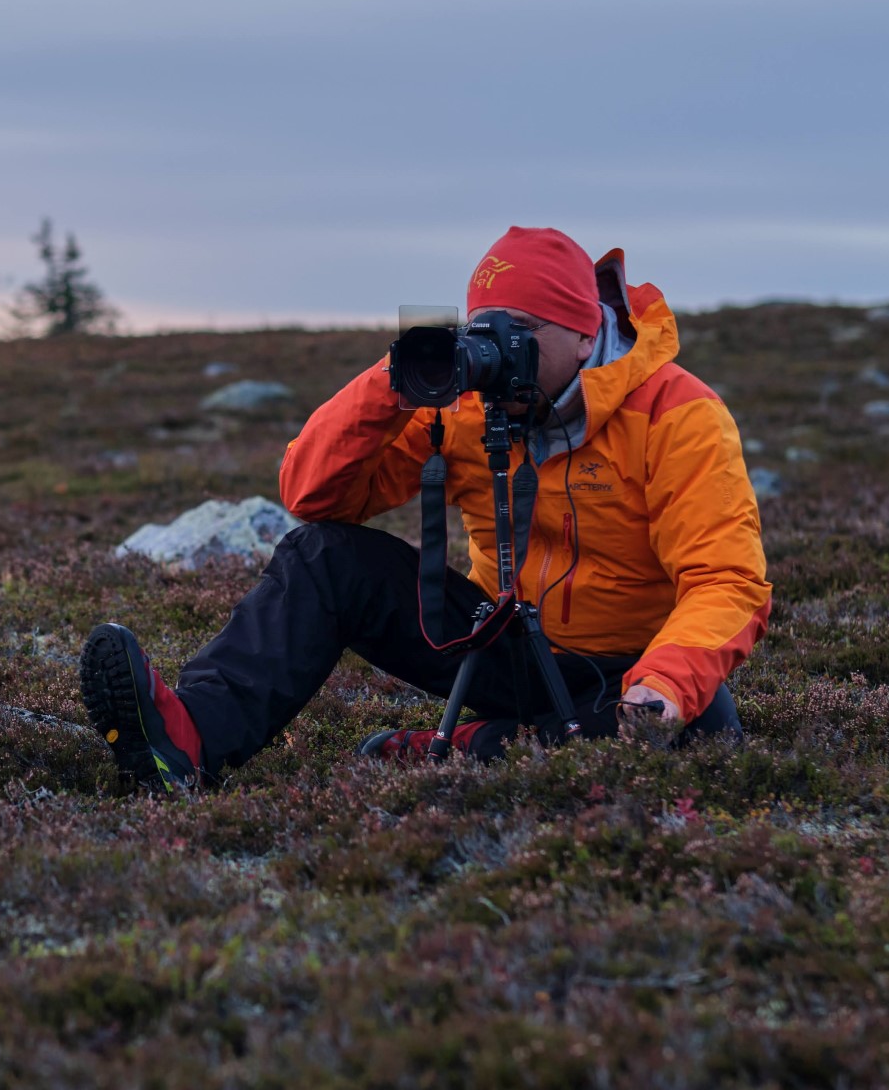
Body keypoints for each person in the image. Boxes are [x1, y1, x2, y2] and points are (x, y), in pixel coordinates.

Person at [80, 226, 770, 792]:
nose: (498, 356)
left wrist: (664, 686)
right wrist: (398, 379)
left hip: (623, 673)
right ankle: (192, 739)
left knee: (698, 730)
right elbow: (313, 496)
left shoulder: (677, 413)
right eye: (483, 332)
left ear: (586, 335)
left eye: (521, 333)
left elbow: (726, 581)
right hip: (500, 642)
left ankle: (461, 748)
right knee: (323, 558)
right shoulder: (465, 405)